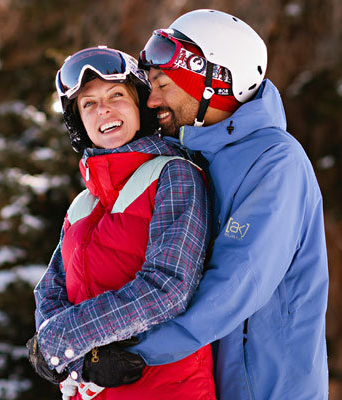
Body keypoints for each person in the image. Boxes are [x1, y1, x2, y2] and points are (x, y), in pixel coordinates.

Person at [121, 9, 330, 400]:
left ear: (213, 83)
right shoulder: (189, 156)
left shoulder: (274, 161)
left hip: (266, 389)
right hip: (205, 384)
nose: (152, 100)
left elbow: (237, 283)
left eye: (164, 84)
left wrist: (134, 351)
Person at [26, 46, 216, 400]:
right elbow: (50, 291)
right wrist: (82, 360)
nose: (104, 110)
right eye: (89, 104)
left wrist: (65, 340)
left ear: (141, 105)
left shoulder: (173, 175)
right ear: (79, 123)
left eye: (116, 95)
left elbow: (169, 287)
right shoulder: (84, 205)